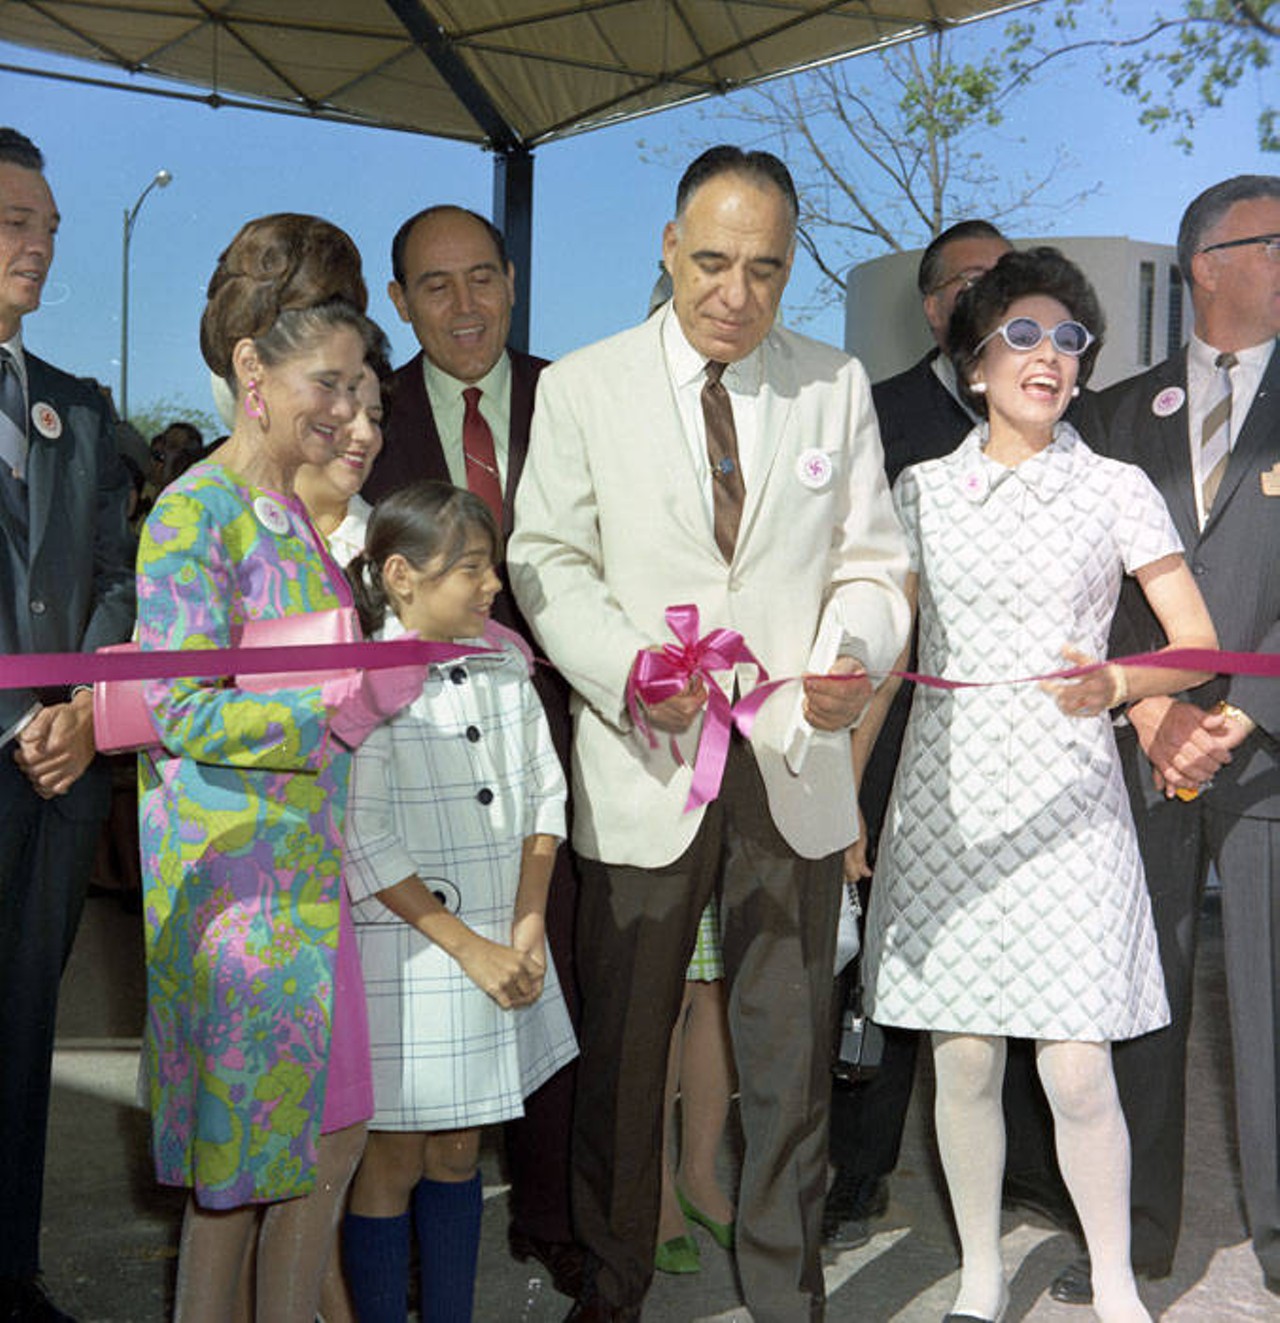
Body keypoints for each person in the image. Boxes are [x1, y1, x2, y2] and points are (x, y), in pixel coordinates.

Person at [509, 144, 911, 1322]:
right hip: (645, 766)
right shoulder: (583, 386)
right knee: (624, 1066)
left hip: (787, 767)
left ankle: (790, 1300)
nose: (736, 293)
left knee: (785, 1066)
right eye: (713, 262)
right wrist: (627, 672)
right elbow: (543, 558)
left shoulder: (832, 384)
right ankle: (612, 1288)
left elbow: (877, 561)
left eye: (766, 269)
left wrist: (851, 657)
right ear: (669, 250)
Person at [861, 246, 1218, 1323]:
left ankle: (1111, 1282)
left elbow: (1195, 644)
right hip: (944, 799)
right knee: (960, 1059)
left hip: (1067, 801)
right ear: (970, 362)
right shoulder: (917, 491)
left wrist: (1119, 677)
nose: (1048, 356)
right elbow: (885, 656)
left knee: (1073, 1067)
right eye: (1021, 334)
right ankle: (976, 1276)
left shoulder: (1113, 487)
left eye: (1068, 340)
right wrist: (843, 802)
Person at [135, 212, 424, 1323]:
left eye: (359, 388)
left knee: (318, 1141)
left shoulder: (286, 517)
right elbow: (174, 704)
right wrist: (330, 712)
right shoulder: (195, 513)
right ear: (253, 371)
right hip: (237, 896)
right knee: (238, 1179)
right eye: (328, 383)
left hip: (309, 880)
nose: (348, 412)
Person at [1048, 174, 1280, 1306]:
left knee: (1271, 1011)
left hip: (1267, 755)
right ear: (1207, 261)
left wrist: (1238, 712)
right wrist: (1148, 707)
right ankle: (1133, 1241)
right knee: (1139, 1003)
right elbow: (1078, 581)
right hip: (1139, 757)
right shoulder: (1107, 415)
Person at [825, 220, 1076, 1251]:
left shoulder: (1069, 413)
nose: (993, 302)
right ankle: (856, 1168)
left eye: (1007, 285)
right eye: (968, 285)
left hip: (1028, 738)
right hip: (896, 729)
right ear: (933, 306)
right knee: (885, 956)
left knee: (1018, 950)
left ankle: (1024, 1165)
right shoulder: (876, 414)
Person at [365, 202, 584, 1297]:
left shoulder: (573, 397)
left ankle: (548, 1217)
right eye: (434, 286)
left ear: (510, 282)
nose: (463, 306)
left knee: (549, 985)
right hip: (407, 758)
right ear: (397, 303)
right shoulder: (363, 416)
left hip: (563, 741)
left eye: (481, 278)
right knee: (412, 1106)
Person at [338, 479, 576, 1322]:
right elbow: (363, 838)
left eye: (491, 567)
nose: (491, 586)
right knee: (394, 1157)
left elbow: (545, 795)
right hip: (410, 953)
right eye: (471, 569)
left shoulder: (503, 659)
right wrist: (470, 946)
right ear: (401, 575)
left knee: (459, 1147)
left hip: (502, 941)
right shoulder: (364, 677)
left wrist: (527, 921)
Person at [0, 126, 135, 1323]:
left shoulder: (77, 411)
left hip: (58, 779)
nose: (37, 245)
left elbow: (118, 577)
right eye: (12, 222)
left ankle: (12, 1266)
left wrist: (86, 710)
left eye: (46, 225)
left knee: (24, 1029)